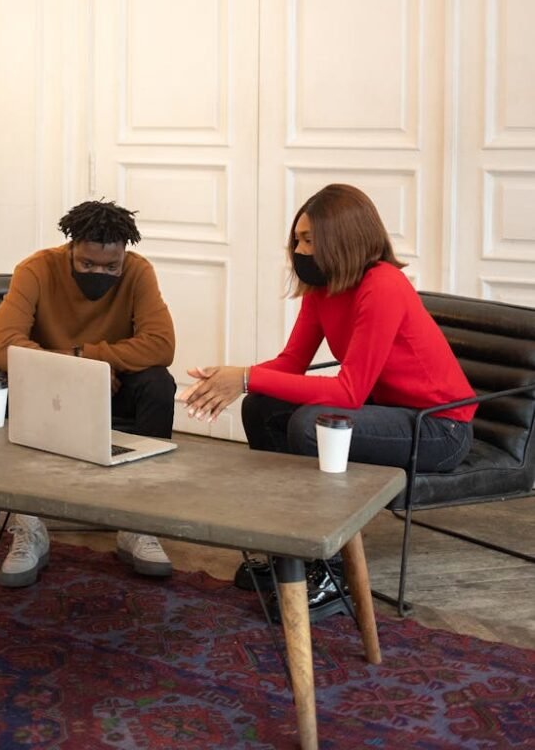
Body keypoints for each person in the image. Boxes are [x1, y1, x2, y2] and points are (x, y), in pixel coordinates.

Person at [182, 183, 476, 618]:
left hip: (439, 427)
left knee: (311, 424)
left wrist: (245, 378)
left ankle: (331, 569)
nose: (299, 250)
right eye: (297, 239)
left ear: (344, 241)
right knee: (261, 406)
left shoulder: (384, 285)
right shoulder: (324, 288)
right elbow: (292, 361)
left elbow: (349, 392)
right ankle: (291, 549)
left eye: (309, 241)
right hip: (389, 413)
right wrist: (229, 379)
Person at [0, 199, 176, 587]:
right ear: (71, 247)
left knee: (158, 383)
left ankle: (137, 519)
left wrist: (91, 358)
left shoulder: (139, 272)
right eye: (87, 264)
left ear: (124, 255)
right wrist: (74, 368)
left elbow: (161, 345)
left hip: (113, 385)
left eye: (111, 267)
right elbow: (1, 347)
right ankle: (28, 524)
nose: (99, 273)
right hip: (52, 386)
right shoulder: (36, 269)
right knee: (18, 377)